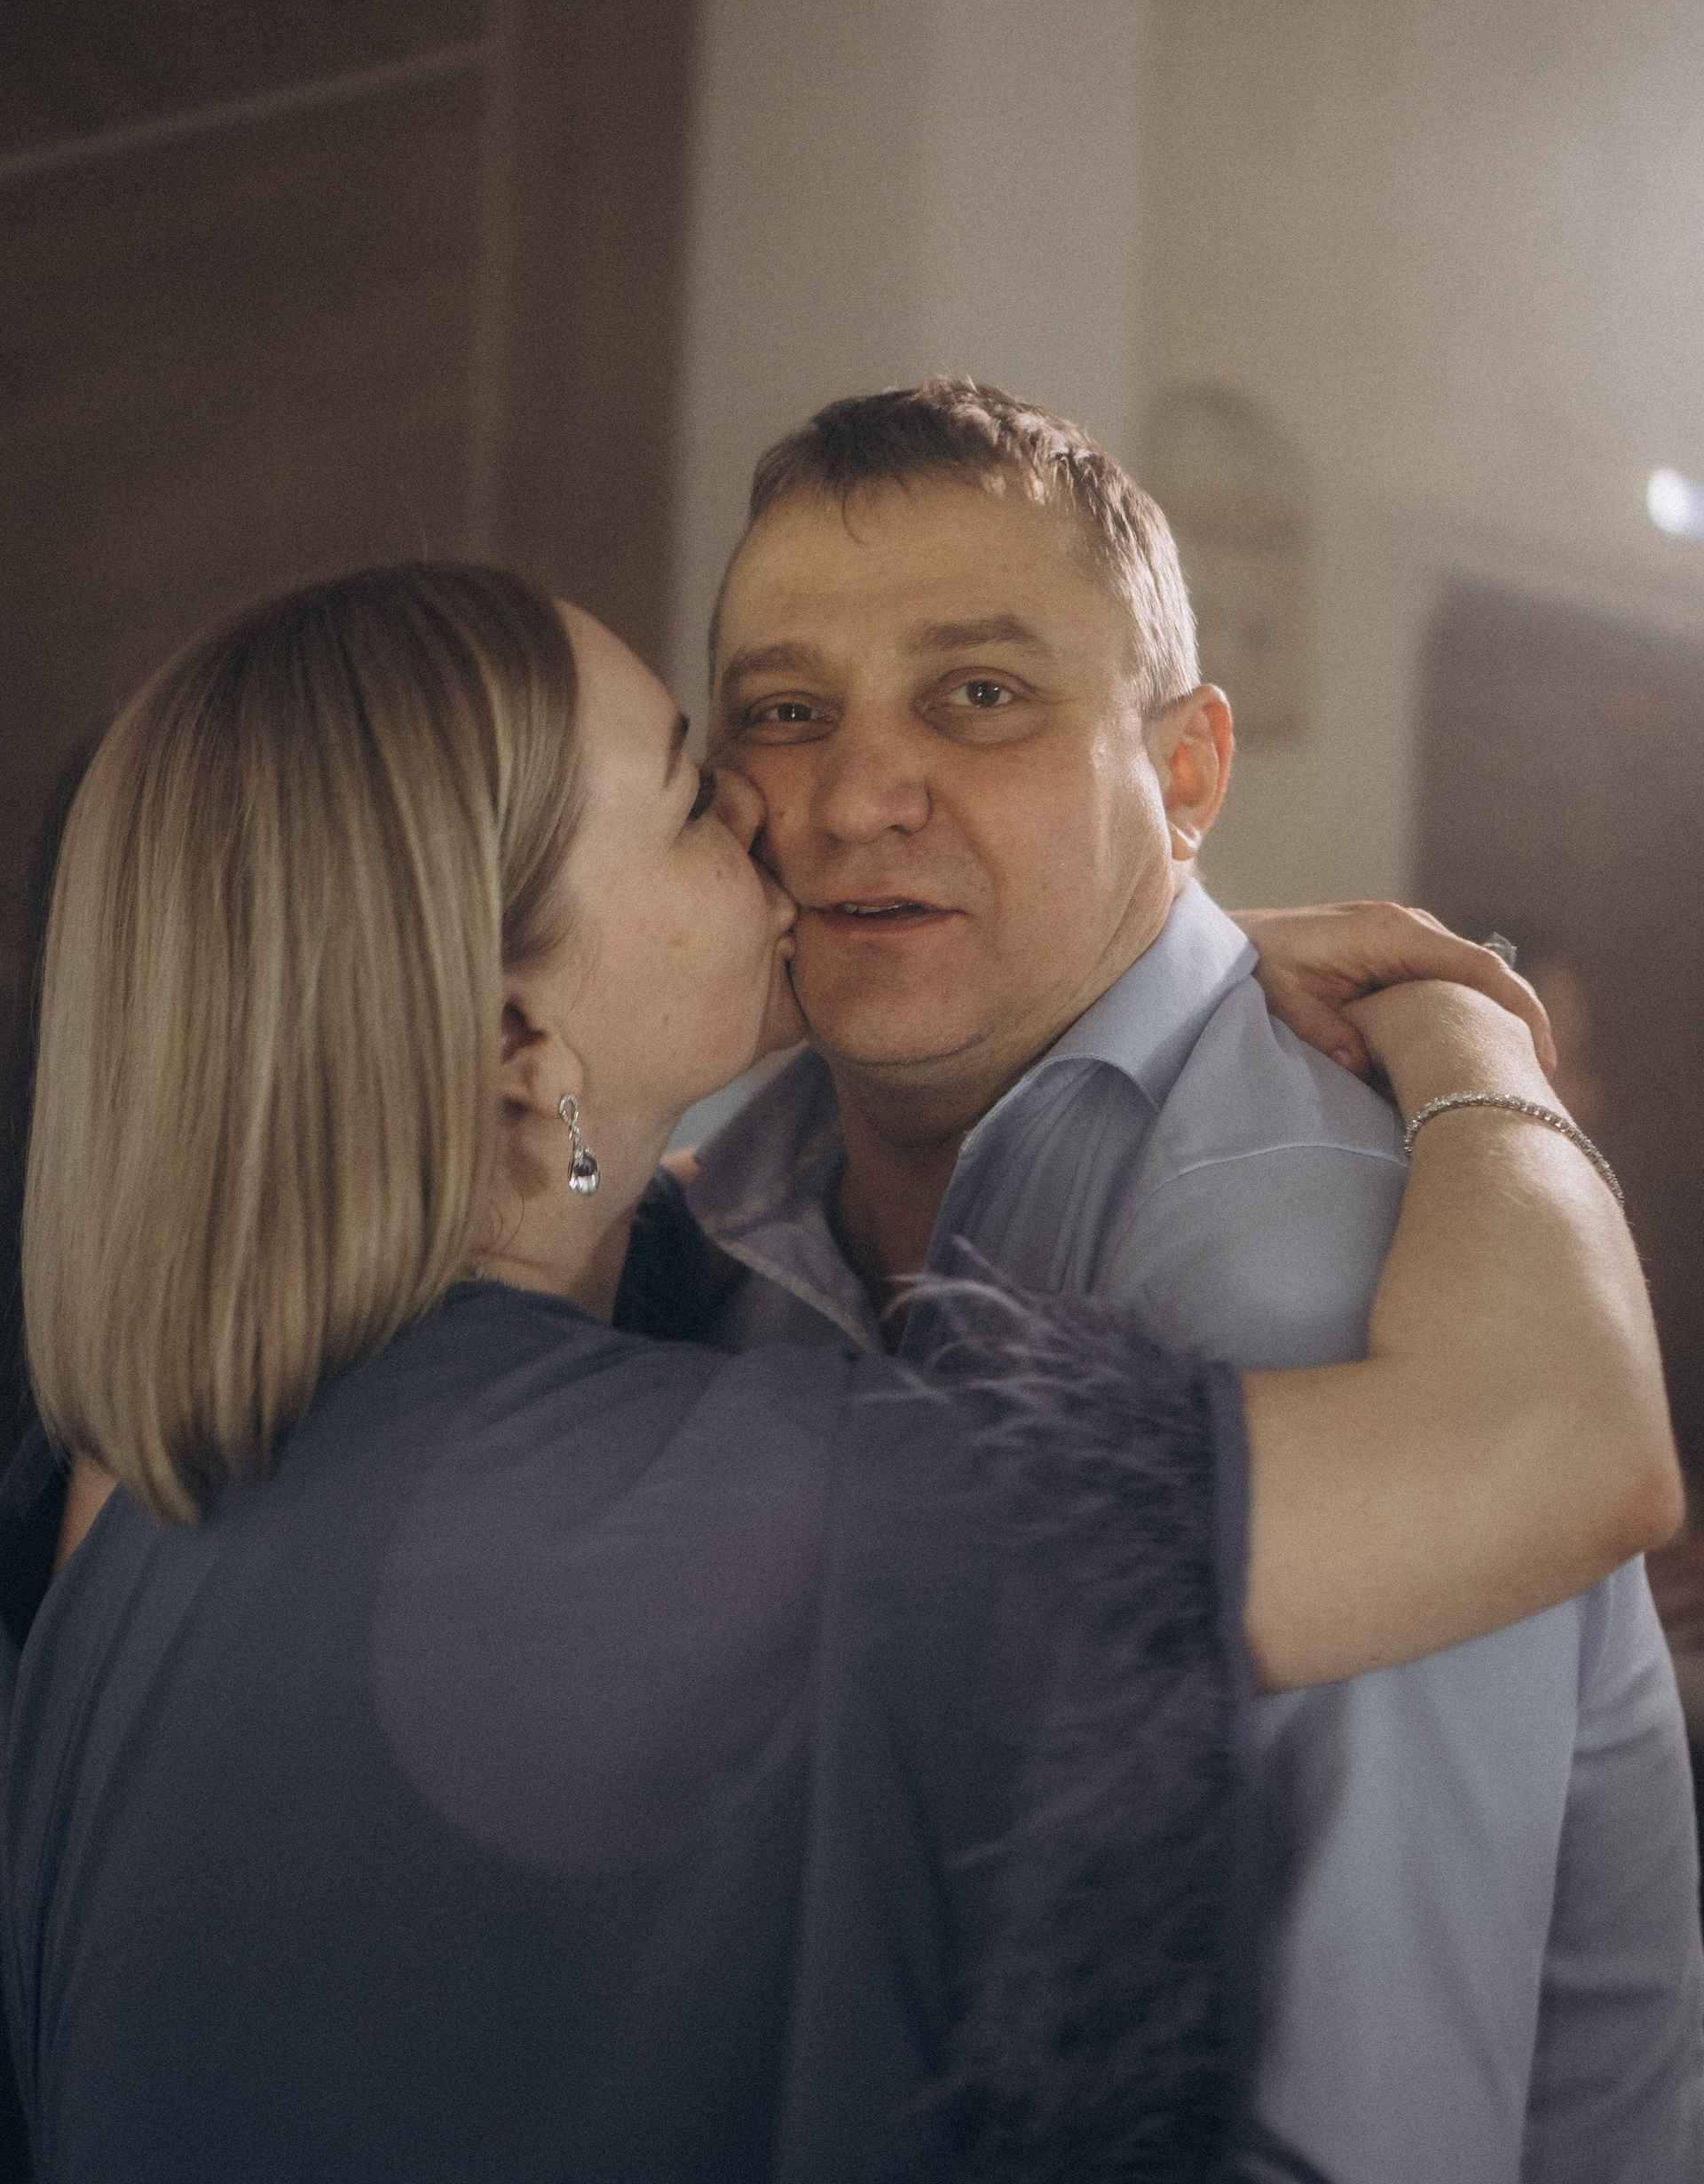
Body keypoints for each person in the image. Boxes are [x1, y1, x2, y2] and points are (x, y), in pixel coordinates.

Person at [0, 563, 1676, 2184]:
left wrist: (1149, 946)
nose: (770, 811)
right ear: (517, 1040)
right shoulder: (633, 1525)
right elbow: (1564, 1448)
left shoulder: (163, 1467)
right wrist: (1460, 1024)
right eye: (691, 797)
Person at [692, 379, 1704, 2184]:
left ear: (1185, 777)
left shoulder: (1323, 1257)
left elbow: (1360, 2142)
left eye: (979, 695)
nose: (852, 796)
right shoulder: (717, 1213)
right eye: (785, 712)